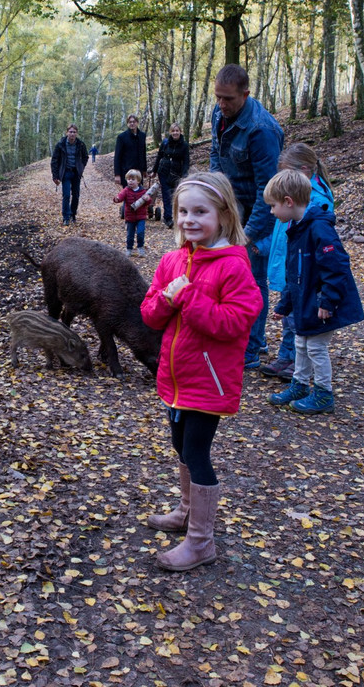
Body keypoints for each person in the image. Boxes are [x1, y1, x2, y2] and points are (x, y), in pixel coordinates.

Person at [139, 172, 263, 571]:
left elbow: (234, 322)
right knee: (179, 447)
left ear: (224, 215)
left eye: (200, 212)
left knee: (196, 452)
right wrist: (168, 300)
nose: (190, 220)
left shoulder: (233, 266)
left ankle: (201, 542)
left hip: (208, 381)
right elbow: (150, 314)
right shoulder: (172, 260)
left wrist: (187, 296)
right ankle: (186, 512)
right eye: (183, 212)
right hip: (176, 378)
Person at [264, 169, 364, 414]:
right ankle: (299, 384)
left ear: (288, 202)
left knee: (316, 348)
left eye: (273, 206)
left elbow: (336, 265)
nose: (271, 211)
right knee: (300, 343)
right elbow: (293, 273)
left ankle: (323, 392)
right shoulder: (296, 229)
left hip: (320, 303)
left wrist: (328, 301)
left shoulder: (319, 228)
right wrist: (284, 305)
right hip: (304, 301)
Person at [208, 64, 284, 370]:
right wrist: (214, 191)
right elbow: (216, 152)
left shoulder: (262, 130)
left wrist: (248, 234)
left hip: (258, 211)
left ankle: (252, 346)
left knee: (250, 279)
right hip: (231, 203)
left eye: (228, 99)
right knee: (224, 274)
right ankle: (237, 336)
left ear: (246, 94)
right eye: (218, 98)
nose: (222, 105)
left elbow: (269, 189)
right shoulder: (220, 115)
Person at [259, 143, 335, 382]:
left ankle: (298, 364)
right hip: (290, 264)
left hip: (304, 269)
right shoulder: (291, 198)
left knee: (298, 319)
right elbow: (281, 232)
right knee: (288, 315)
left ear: (303, 170)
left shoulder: (316, 202)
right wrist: (261, 245)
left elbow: (324, 251)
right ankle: (287, 356)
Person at [150, 123, 191, 228]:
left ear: (180, 132)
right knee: (166, 195)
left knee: (176, 196)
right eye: (173, 131)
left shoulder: (184, 145)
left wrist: (185, 176)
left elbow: (186, 161)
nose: (175, 133)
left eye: (177, 131)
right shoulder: (165, 143)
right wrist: (154, 171)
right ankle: (168, 218)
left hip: (177, 173)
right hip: (163, 171)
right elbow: (159, 156)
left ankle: (177, 217)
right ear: (170, 132)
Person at [51, 124, 89, 226]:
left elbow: (85, 156)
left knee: (76, 195)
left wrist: (81, 167)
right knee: (66, 195)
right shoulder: (60, 144)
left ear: (77, 133)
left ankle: (73, 215)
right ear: (67, 132)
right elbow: (54, 160)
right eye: (70, 132)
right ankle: (66, 217)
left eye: (74, 132)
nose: (72, 134)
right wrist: (55, 176)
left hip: (76, 172)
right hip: (66, 172)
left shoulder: (80, 144)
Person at [114, 169, 153, 257]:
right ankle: (129, 249)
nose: (130, 181)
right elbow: (120, 196)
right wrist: (117, 199)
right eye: (128, 179)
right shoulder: (126, 190)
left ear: (138, 181)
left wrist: (148, 199)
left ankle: (140, 248)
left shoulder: (143, 191)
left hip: (141, 216)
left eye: (133, 179)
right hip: (130, 217)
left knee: (140, 232)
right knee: (130, 235)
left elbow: (148, 202)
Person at [113, 114, 148, 187]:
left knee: (139, 194)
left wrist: (144, 169)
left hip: (139, 171)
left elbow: (143, 153)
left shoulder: (142, 136)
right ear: (127, 123)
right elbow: (117, 157)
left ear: (137, 123)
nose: (132, 123)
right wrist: (117, 174)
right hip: (126, 171)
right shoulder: (121, 137)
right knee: (128, 195)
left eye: (134, 122)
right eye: (130, 122)